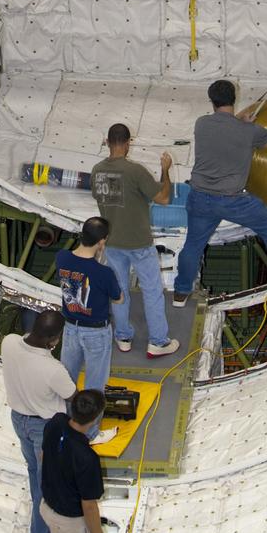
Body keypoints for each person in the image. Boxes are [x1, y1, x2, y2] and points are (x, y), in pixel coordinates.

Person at [173, 80, 267, 305]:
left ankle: (180, 293)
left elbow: (225, 132)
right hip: (231, 200)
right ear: (234, 98)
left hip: (199, 198)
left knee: (193, 246)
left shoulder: (201, 124)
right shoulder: (249, 131)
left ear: (212, 101)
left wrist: (241, 123)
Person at [92, 123, 180, 359]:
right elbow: (163, 198)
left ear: (107, 142)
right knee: (152, 291)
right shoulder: (135, 171)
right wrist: (165, 170)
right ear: (128, 143)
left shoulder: (97, 171)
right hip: (139, 243)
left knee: (119, 291)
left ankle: (123, 337)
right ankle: (158, 342)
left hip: (111, 242)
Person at [40, 388, 120, 533]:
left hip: (48, 508)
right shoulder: (86, 458)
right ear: (96, 418)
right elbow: (89, 507)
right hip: (70, 524)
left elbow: (44, 456)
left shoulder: (56, 423)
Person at [1, 308, 75, 533]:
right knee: (47, 484)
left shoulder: (9, 342)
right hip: (44, 429)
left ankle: (42, 516)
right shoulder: (53, 369)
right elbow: (71, 397)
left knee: (35, 472)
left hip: (18, 420)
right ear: (52, 340)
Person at [56, 217, 122, 444]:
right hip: (96, 332)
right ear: (102, 242)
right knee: (95, 386)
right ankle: (91, 433)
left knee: (67, 380)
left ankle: (65, 423)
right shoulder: (104, 273)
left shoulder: (61, 257)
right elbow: (119, 298)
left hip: (70, 328)